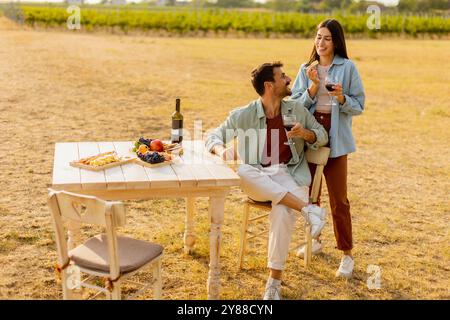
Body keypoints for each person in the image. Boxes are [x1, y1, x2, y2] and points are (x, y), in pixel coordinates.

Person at [205, 62, 328, 300]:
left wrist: (305, 134)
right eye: (283, 77)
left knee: (282, 210)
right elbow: (213, 135)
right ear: (269, 85)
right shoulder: (245, 114)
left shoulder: (296, 110)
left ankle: (273, 283)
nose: (289, 79)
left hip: (290, 175)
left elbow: (321, 136)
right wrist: (221, 150)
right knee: (242, 170)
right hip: (259, 179)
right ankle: (308, 210)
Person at [291, 19, 365, 279]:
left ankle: (347, 254)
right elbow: (295, 107)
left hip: (336, 138)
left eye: (327, 38)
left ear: (336, 42)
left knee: (339, 199)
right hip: (311, 136)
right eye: (318, 37)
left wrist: (342, 98)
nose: (320, 43)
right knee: (311, 195)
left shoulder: (348, 68)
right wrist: (312, 87)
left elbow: (359, 105)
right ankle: (316, 239)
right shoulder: (306, 69)